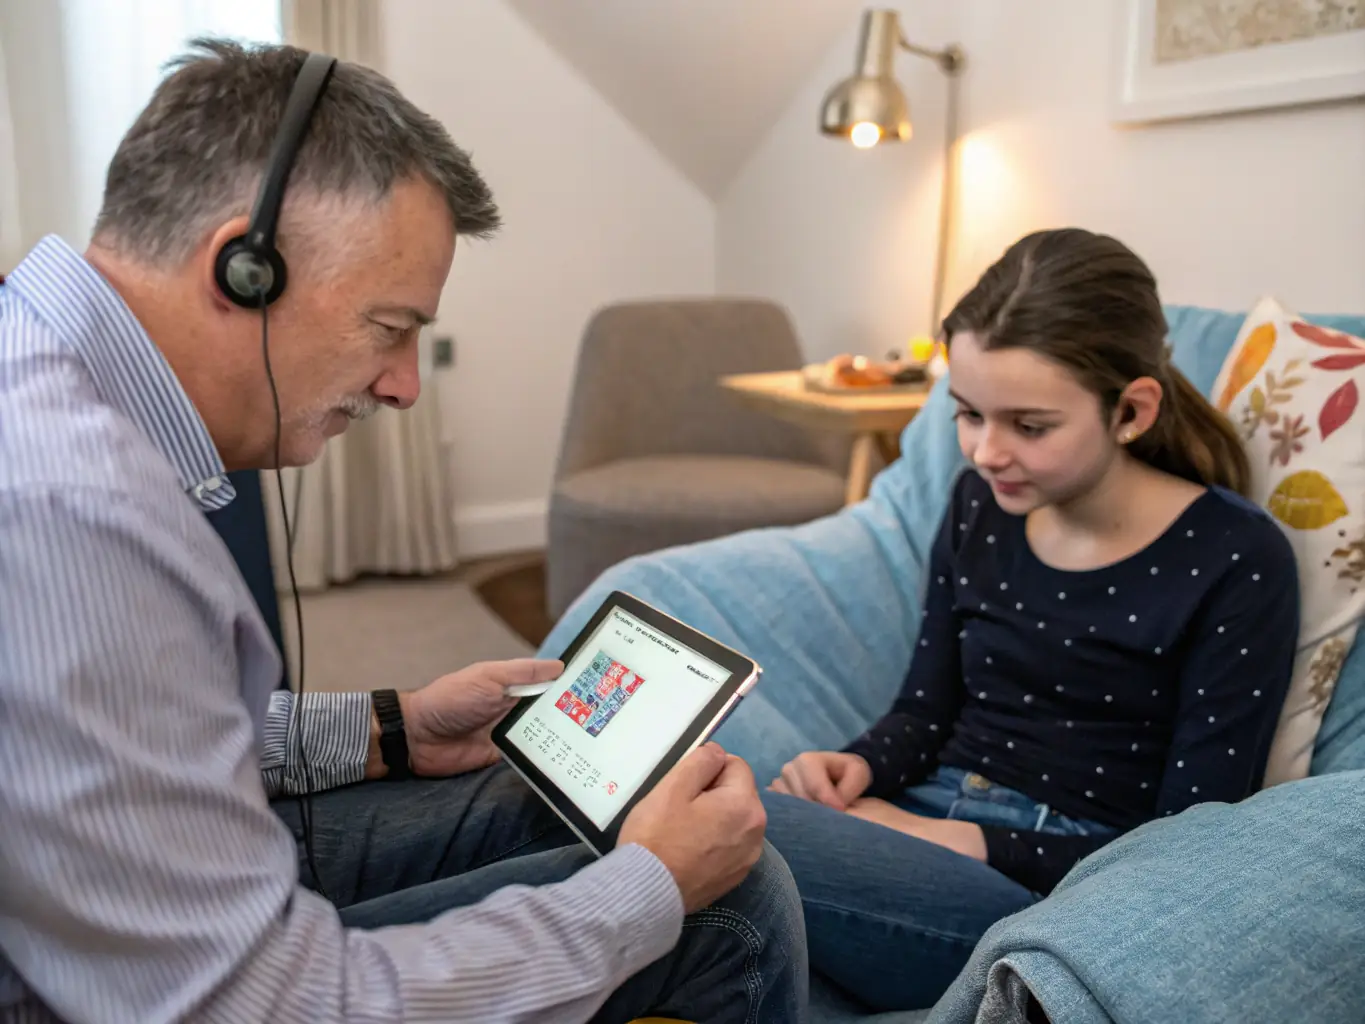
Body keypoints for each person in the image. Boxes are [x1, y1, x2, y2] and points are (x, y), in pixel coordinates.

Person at [0, 39, 805, 1023]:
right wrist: (650, 889)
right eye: (390, 328)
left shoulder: (42, 380)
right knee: (725, 905)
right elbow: (265, 1008)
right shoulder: (70, 508)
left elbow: (140, 739)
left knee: (557, 800)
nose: (404, 386)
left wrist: (393, 726)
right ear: (245, 272)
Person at [760, 227, 1301, 1012]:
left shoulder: (1234, 557)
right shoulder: (979, 506)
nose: (984, 452)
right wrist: (859, 768)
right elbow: (924, 712)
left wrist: (964, 840)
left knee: (728, 825)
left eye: (1028, 426)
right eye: (967, 414)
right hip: (922, 819)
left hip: (1058, 888)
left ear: (1130, 410)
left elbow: (1188, 840)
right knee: (713, 914)